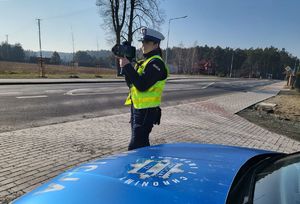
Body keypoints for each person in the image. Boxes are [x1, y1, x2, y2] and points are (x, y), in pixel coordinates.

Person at [119, 27, 169, 150]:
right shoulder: (144, 62)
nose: (143, 45)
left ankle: (137, 168)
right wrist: (126, 66)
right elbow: (131, 84)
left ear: (156, 44)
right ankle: (148, 166)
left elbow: (142, 85)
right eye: (142, 42)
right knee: (141, 146)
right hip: (137, 108)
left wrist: (128, 67)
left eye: (147, 42)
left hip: (146, 112)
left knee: (135, 147)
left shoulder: (156, 64)